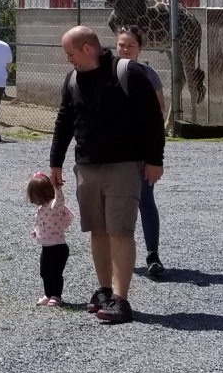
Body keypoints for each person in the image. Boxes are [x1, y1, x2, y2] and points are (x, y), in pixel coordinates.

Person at [49, 25, 164, 325]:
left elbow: (153, 119)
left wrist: (155, 160)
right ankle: (103, 292)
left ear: (87, 48)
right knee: (97, 229)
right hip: (87, 166)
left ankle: (121, 300)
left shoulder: (128, 73)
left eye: (70, 53)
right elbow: (64, 121)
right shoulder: (73, 79)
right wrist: (55, 162)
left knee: (120, 231)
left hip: (124, 166)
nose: (68, 60)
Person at [116, 27, 168, 279]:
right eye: (121, 45)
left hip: (141, 150)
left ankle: (152, 255)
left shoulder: (149, 75)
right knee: (117, 203)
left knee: (145, 200)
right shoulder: (108, 72)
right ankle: (118, 254)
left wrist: (153, 154)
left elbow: (159, 110)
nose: (125, 49)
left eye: (130, 46)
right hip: (116, 151)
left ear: (140, 48)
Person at [27, 171, 74, 307]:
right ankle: (47, 294)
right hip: (46, 247)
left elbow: (60, 200)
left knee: (55, 273)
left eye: (35, 196)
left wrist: (58, 189)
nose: (34, 199)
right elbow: (42, 223)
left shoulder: (54, 206)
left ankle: (56, 296)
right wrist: (37, 232)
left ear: (44, 193)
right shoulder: (41, 208)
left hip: (58, 248)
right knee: (44, 272)